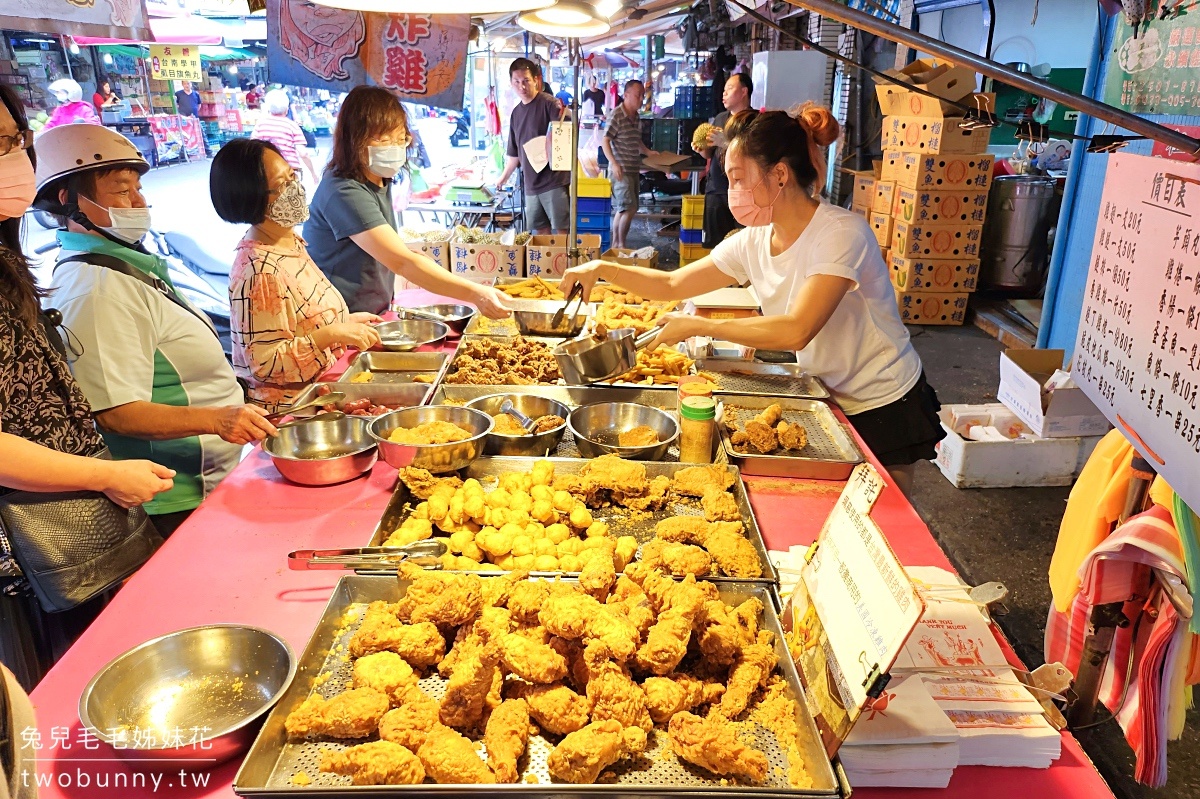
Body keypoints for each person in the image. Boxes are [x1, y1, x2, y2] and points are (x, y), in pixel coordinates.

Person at [561, 105, 944, 495]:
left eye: (738, 178)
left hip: (882, 401)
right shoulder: (755, 240)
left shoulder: (841, 234)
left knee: (883, 515)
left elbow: (797, 329)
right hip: (826, 393)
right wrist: (600, 270)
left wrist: (700, 325)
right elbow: (673, 284)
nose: (733, 192)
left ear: (779, 174)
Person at [0, 86, 174, 688]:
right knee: (69, 692)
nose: (16, 160)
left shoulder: (10, 265)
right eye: (1, 146)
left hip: (82, 522)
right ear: (69, 200)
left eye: (16, 142)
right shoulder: (91, 283)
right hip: (32, 552)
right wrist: (105, 473)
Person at [33, 125, 276, 538]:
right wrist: (219, 419)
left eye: (139, 188)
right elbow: (115, 411)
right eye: (121, 190)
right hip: (172, 496)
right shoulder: (96, 289)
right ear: (69, 201)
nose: (138, 202)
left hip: (210, 480)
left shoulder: (123, 267)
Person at [304, 85, 511, 317]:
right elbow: (403, 263)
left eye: (400, 138)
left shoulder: (379, 178)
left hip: (372, 312)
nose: (394, 148)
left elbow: (394, 252)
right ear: (354, 140)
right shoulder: (343, 191)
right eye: (383, 140)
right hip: (340, 318)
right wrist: (476, 293)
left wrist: (409, 256)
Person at [210, 138, 382, 413]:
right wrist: (330, 334)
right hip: (294, 412)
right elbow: (265, 363)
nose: (296, 189)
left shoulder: (287, 241)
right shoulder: (259, 271)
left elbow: (297, 322)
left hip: (323, 394)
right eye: (281, 185)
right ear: (251, 197)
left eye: (293, 176)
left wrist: (343, 323)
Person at [494, 59, 571, 235]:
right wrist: (503, 178)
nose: (522, 86)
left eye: (526, 80)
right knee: (541, 233)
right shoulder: (516, 113)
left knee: (562, 232)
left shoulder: (550, 104)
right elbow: (515, 154)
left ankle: (564, 263)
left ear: (536, 80)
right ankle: (546, 263)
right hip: (530, 184)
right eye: (517, 82)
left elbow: (564, 130)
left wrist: (552, 136)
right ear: (511, 83)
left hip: (554, 181)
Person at [695, 72, 752, 249]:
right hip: (715, 191)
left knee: (741, 246)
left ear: (744, 92)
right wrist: (701, 149)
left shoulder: (754, 121)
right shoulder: (720, 118)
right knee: (716, 249)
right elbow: (709, 155)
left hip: (742, 193)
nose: (724, 93)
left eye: (729, 89)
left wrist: (726, 143)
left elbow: (753, 155)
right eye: (724, 89)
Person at [602, 79, 658, 250]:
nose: (641, 99)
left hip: (633, 168)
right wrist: (614, 163)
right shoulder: (617, 115)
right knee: (628, 207)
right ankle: (619, 244)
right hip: (621, 169)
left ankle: (617, 244)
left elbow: (636, 140)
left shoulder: (636, 116)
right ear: (626, 95)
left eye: (642, 95)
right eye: (637, 95)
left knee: (628, 208)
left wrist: (647, 152)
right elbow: (605, 140)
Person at [251, 89, 318, 188]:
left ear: (268, 108)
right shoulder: (292, 126)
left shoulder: (260, 125)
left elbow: (252, 149)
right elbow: (303, 153)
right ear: (287, 109)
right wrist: (313, 174)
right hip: (289, 173)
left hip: (266, 173)